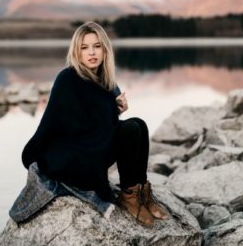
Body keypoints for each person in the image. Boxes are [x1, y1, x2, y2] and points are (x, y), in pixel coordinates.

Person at [9, 21, 168, 226]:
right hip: (74, 157)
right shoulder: (68, 78)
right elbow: (77, 128)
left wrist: (115, 108)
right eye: (84, 48)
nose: (91, 53)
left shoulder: (105, 80)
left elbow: (101, 125)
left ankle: (140, 192)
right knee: (129, 129)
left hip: (93, 148)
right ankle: (128, 198)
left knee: (139, 124)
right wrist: (111, 108)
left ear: (104, 49)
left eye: (96, 46)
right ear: (77, 52)